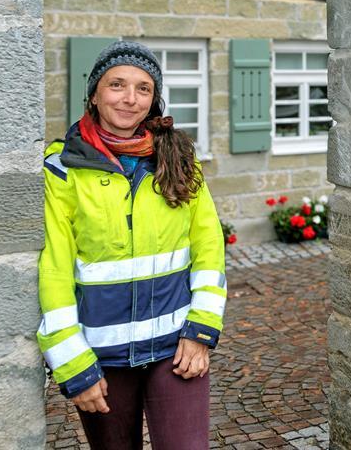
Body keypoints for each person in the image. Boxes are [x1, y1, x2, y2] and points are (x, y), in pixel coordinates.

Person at [36, 41, 226, 449]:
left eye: (143, 88)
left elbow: (208, 245)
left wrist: (202, 329)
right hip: (100, 356)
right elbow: (54, 268)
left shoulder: (178, 159)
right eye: (117, 84)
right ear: (94, 94)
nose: (130, 98)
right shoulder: (62, 168)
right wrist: (72, 363)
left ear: (154, 99)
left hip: (177, 347)